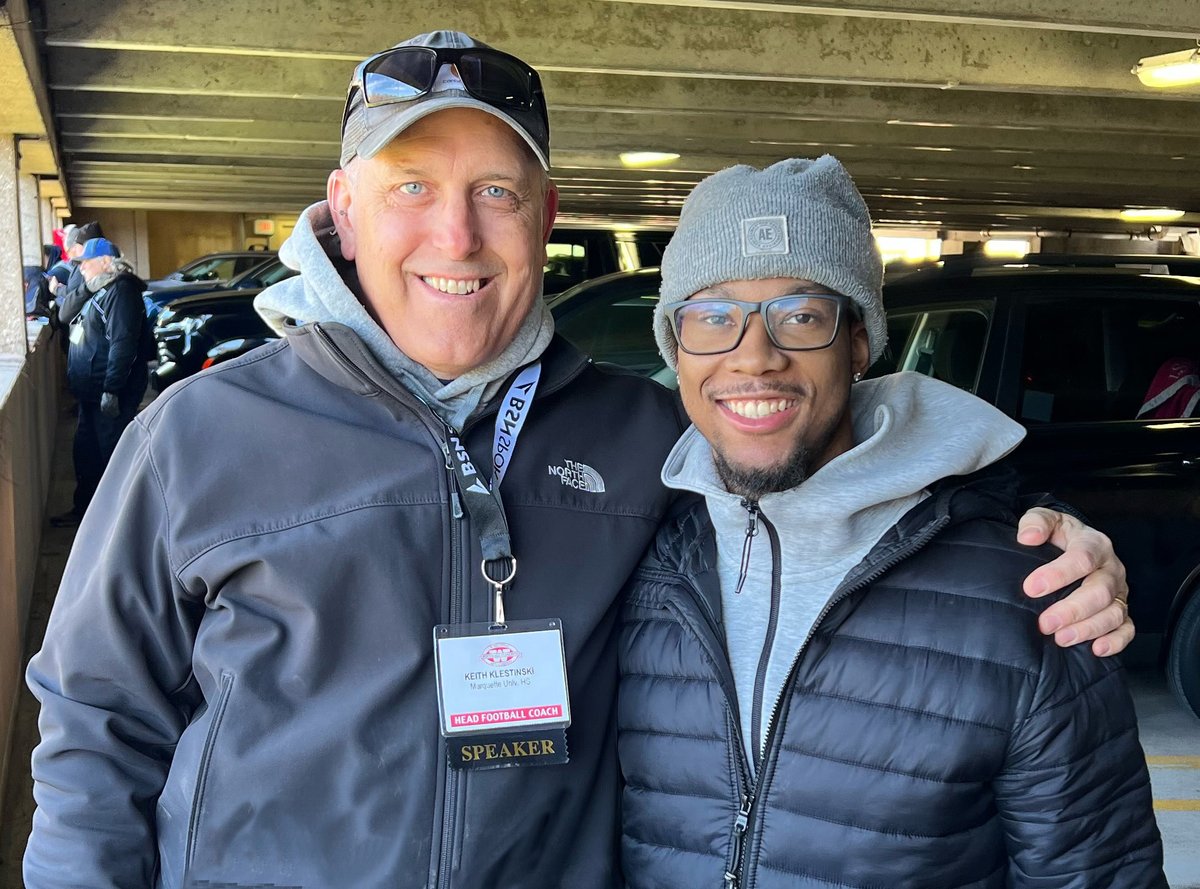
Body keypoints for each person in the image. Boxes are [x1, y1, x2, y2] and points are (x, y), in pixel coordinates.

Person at [25, 32, 1131, 889]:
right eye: (411, 185)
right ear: (344, 210)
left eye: (496, 192)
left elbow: (822, 450)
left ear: (545, 216)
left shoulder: (641, 436)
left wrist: (1036, 529)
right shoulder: (197, 433)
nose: (456, 235)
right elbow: (95, 727)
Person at [617, 156, 1165, 888]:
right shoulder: (637, 557)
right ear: (675, 350)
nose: (754, 357)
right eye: (713, 316)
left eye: (800, 315)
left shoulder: (1034, 595)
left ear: (858, 343)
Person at [50, 237, 151, 528]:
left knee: (112, 459)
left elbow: (123, 344)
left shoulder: (121, 292)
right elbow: (64, 314)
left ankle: (118, 523)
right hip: (89, 392)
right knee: (86, 455)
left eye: (86, 263)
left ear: (106, 262)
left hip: (110, 393)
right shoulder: (97, 289)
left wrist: (112, 388)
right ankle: (86, 513)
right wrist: (85, 288)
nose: (80, 269)